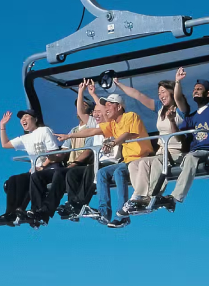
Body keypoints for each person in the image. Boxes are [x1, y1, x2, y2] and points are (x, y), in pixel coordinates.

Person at [55, 93, 152, 228]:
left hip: (141, 159)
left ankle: (122, 216)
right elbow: (92, 131)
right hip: (127, 161)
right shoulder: (113, 124)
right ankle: (104, 212)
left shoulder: (130, 116)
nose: (106, 108)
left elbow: (127, 134)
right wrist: (69, 136)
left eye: (109, 105)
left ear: (119, 107)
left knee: (118, 172)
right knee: (101, 172)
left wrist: (113, 143)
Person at [154, 67, 209, 211]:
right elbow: (178, 136)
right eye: (194, 89)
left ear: (208, 93)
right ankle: (153, 196)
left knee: (190, 157)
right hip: (195, 151)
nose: (195, 91)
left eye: (199, 89)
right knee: (164, 160)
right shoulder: (192, 117)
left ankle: (175, 197)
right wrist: (172, 121)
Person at [27, 83, 99, 227]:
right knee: (36, 176)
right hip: (69, 165)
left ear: (90, 112)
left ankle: (47, 210)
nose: (79, 109)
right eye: (78, 106)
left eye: (83, 106)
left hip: (82, 165)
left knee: (60, 174)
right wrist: (48, 160)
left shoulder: (93, 128)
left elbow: (88, 151)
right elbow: (63, 152)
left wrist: (73, 164)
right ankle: (37, 211)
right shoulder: (73, 130)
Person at [111, 78, 185, 213]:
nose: (161, 96)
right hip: (161, 152)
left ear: (172, 92)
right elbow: (138, 95)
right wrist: (119, 84)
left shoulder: (180, 108)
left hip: (174, 151)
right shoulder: (160, 108)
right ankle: (140, 197)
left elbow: (178, 97)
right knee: (134, 164)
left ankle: (142, 197)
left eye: (163, 92)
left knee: (147, 163)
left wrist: (178, 82)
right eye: (159, 93)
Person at [0, 109, 61, 226]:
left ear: (35, 119)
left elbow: (54, 153)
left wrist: (42, 166)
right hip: (36, 170)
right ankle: (10, 213)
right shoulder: (26, 138)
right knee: (13, 180)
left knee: (32, 178)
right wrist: (2, 126)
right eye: (21, 118)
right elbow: (5, 144)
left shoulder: (44, 130)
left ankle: (26, 211)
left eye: (26, 116)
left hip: (50, 169)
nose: (23, 119)